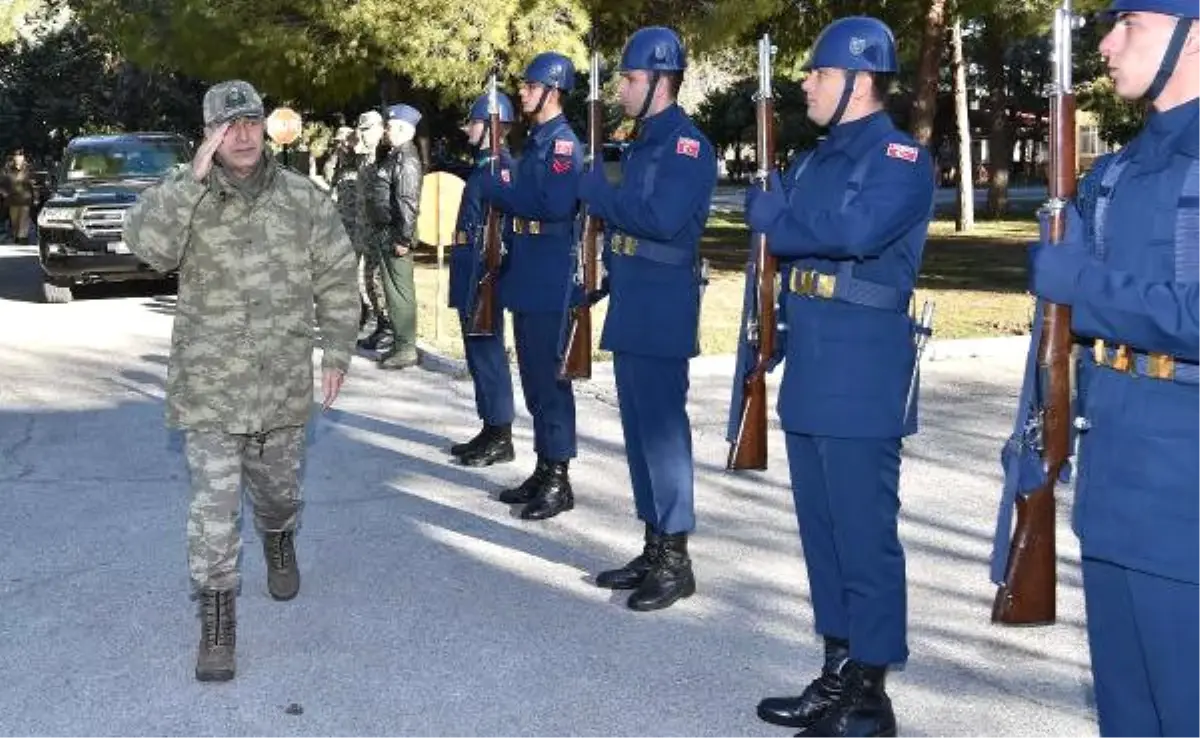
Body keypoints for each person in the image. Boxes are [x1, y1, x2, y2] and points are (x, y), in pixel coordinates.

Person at [121, 80, 359, 683]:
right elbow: (146, 246)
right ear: (210, 134)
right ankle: (218, 620)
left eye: (251, 121)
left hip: (279, 383)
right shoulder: (188, 196)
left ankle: (279, 536)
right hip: (210, 386)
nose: (244, 135)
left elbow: (335, 273)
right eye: (228, 127)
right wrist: (188, 178)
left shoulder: (303, 198)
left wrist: (336, 350)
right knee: (213, 508)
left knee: (277, 492)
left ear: (266, 126)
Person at [742, 17, 934, 737]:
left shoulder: (901, 158)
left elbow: (853, 233)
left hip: (862, 366)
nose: (805, 84)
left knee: (864, 534)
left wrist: (776, 219)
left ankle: (872, 695)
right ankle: (837, 671)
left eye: (816, 74)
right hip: (814, 362)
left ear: (857, 81)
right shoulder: (815, 160)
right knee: (821, 533)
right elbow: (812, 226)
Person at [1028, 2, 1200, 736]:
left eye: (1128, 22)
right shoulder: (1121, 168)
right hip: (1115, 475)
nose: (1105, 42)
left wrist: (1082, 288)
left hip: (1186, 492)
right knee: (1126, 713)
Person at [577, 27, 716, 612]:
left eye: (631, 79)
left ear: (661, 81)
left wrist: (599, 194)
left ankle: (675, 559)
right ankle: (653, 543)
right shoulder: (642, 143)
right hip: (636, 295)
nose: (622, 89)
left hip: (662, 304)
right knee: (638, 430)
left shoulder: (686, 144)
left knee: (661, 432)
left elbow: (659, 218)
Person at [484, 52, 583, 521]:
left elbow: (551, 203)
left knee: (550, 381)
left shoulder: (563, 145)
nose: (522, 92)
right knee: (533, 380)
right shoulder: (537, 142)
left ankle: (559, 477)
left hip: (549, 276)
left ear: (553, 90)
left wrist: (499, 189)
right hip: (527, 270)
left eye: (529, 85)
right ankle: (545, 467)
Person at [447, 89, 518, 468]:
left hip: (483, 276)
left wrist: (488, 276)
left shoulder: (499, 168)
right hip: (471, 270)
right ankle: (490, 428)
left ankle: (501, 435)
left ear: (490, 126)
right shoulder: (484, 167)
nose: (466, 129)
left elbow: (502, 230)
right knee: (478, 356)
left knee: (489, 356)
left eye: (473, 122)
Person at [367, 103, 424, 370]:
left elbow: (407, 202)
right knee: (392, 290)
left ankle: (406, 348)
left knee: (400, 292)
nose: (387, 131)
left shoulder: (407, 159)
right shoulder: (395, 155)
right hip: (387, 231)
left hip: (396, 233)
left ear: (403, 128)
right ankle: (401, 342)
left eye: (390, 126)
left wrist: (403, 238)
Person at [354, 110, 393, 352]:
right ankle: (381, 323)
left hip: (380, 230)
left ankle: (389, 326)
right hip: (365, 230)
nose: (363, 135)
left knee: (379, 279)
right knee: (368, 279)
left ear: (380, 128)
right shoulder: (365, 157)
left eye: (367, 130)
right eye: (362, 130)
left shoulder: (385, 156)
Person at [2, 150, 35, 244]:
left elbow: (33, 183)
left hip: (25, 200)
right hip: (12, 200)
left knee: (24, 219)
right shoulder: (7, 169)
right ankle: (16, 236)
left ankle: (22, 238)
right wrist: (4, 193)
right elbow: (2, 184)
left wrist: (35, 196)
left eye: (21, 155)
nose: (19, 157)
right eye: (17, 155)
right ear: (14, 157)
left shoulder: (28, 169)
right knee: (15, 221)